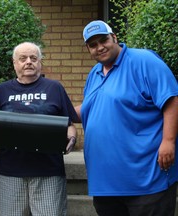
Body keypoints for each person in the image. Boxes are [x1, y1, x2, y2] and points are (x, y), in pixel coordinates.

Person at [75, 20, 178, 216]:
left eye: (103, 40)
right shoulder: (94, 74)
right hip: (106, 183)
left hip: (146, 180)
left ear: (114, 37)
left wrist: (168, 141)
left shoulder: (144, 61)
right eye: (93, 45)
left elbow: (171, 99)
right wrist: (55, 111)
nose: (100, 47)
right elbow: (90, 109)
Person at [0, 42, 78, 216]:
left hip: (48, 171)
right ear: (14, 63)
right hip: (11, 172)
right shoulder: (2, 90)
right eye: (23, 58)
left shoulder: (54, 88)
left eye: (33, 58)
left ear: (40, 62)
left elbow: (69, 125)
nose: (28, 62)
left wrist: (71, 139)